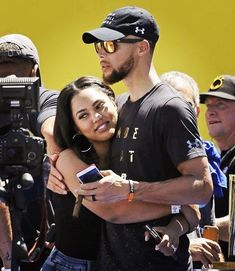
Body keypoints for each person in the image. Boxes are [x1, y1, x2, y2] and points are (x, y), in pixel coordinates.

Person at [70, 6, 213, 271]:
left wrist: (130, 189)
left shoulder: (170, 107)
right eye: (99, 45)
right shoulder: (118, 105)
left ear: (142, 47)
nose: (102, 52)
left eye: (111, 44)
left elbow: (201, 188)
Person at [43, 75, 199, 271]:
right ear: (76, 128)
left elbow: (193, 214)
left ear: (113, 101)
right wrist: (177, 203)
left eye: (99, 106)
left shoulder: (132, 150)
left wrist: (175, 226)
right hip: (72, 265)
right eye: (83, 115)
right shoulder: (68, 159)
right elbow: (114, 210)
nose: (96, 117)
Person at [0, 34, 58, 271]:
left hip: (44, 233)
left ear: (34, 72)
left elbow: (52, 128)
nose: (9, 80)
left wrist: (53, 153)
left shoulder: (47, 98)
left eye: (15, 71)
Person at [160, 71, 225, 268]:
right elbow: (127, 235)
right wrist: (185, 247)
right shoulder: (143, 157)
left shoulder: (206, 157)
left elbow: (207, 227)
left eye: (184, 106)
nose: (177, 114)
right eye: (168, 106)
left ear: (196, 111)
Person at [200, 74, 235, 260]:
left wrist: (198, 228)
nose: (211, 112)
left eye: (220, 104)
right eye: (208, 106)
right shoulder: (217, 158)